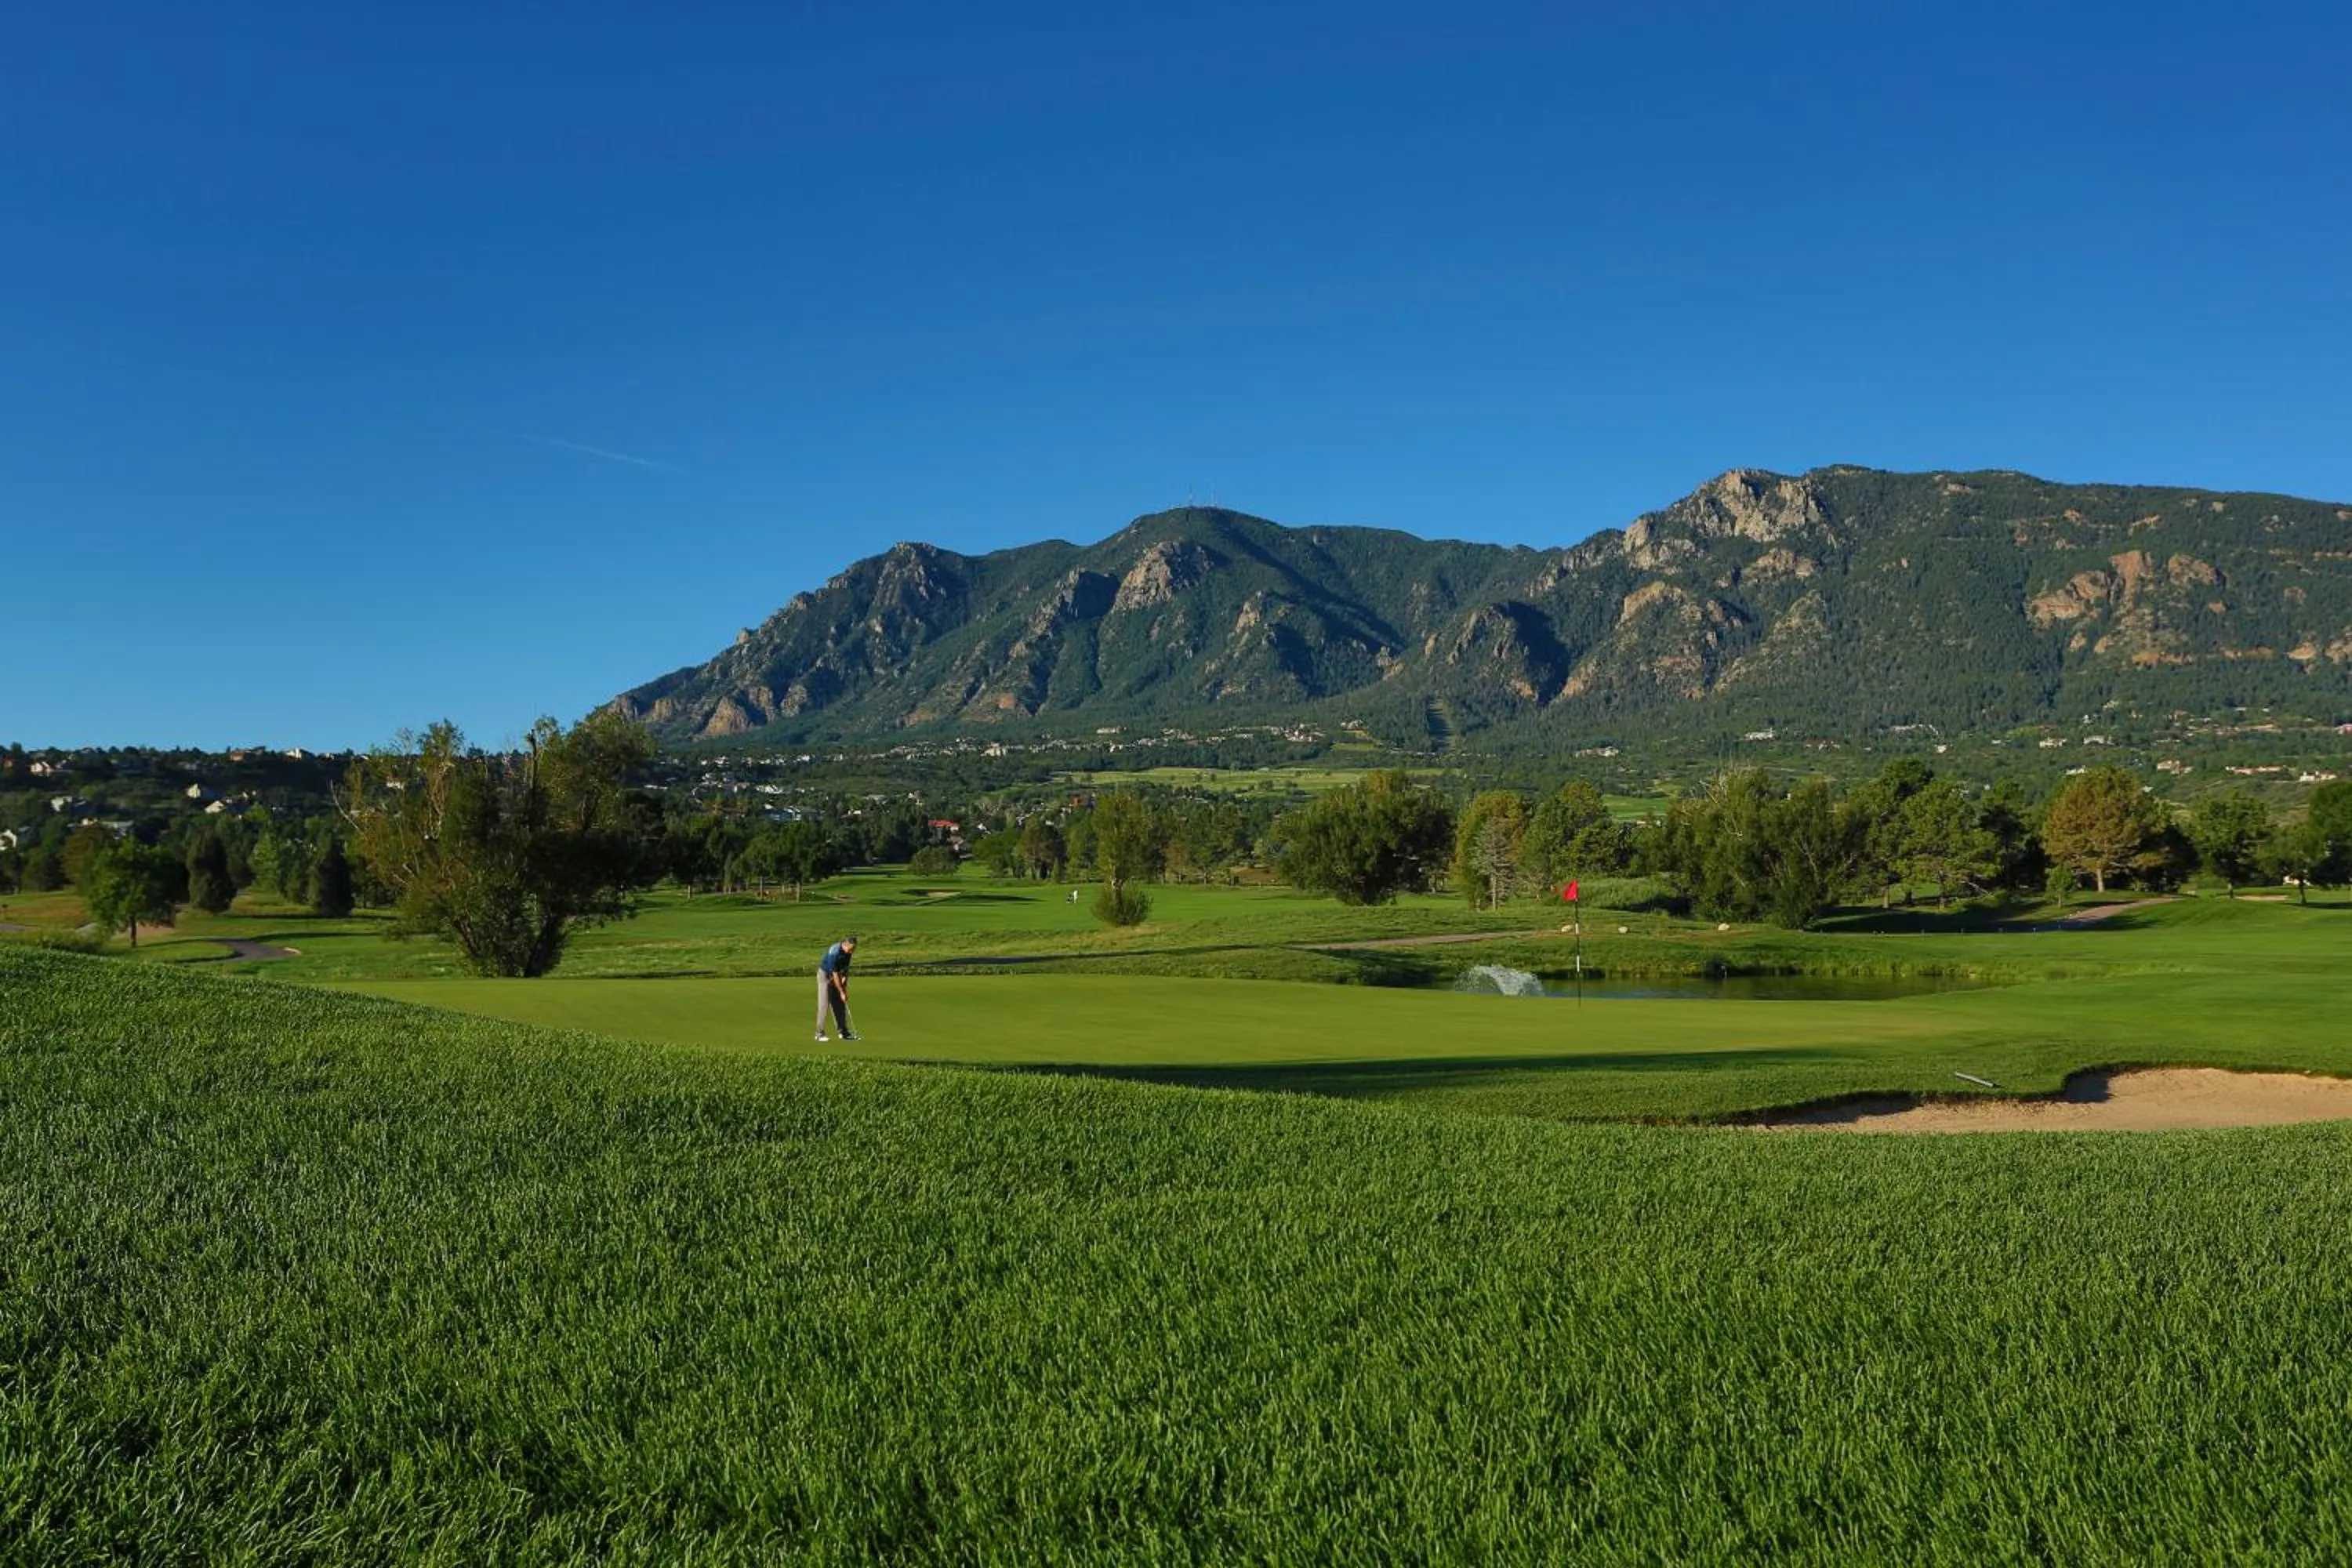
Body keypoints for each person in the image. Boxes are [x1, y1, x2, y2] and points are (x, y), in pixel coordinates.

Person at [815, 935, 858, 1041]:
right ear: (845, 945)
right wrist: (841, 991)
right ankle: (819, 1033)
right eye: (851, 949)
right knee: (824, 1004)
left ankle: (843, 1032)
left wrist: (844, 987)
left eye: (854, 949)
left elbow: (844, 970)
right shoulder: (834, 952)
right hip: (825, 975)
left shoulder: (848, 953)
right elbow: (835, 974)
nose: (852, 952)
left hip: (837, 975)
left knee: (840, 1003)